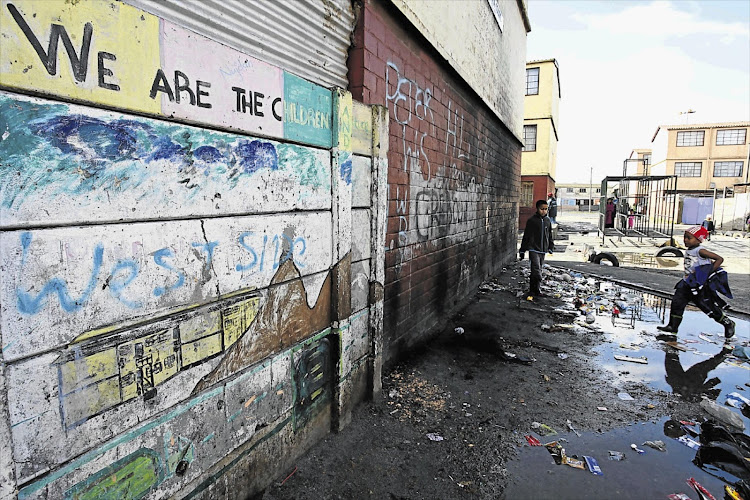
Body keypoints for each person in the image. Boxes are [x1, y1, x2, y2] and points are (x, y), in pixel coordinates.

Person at [657, 226, 735, 339]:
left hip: (698, 285)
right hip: (686, 283)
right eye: (685, 237)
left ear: (699, 239)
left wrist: (707, 272)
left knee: (707, 307)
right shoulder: (690, 249)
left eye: (689, 238)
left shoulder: (700, 251)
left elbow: (719, 259)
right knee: (677, 302)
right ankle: (672, 327)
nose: (686, 240)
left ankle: (728, 323)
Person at [519, 200, 554, 298]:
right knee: (536, 271)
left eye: (546, 209)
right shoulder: (532, 221)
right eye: (542, 209)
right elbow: (526, 236)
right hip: (533, 248)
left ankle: (535, 290)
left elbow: (549, 235)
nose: (544, 211)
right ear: (537, 209)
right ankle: (533, 290)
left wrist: (551, 246)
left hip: (543, 250)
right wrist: (522, 250)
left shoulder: (547, 221)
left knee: (538, 270)